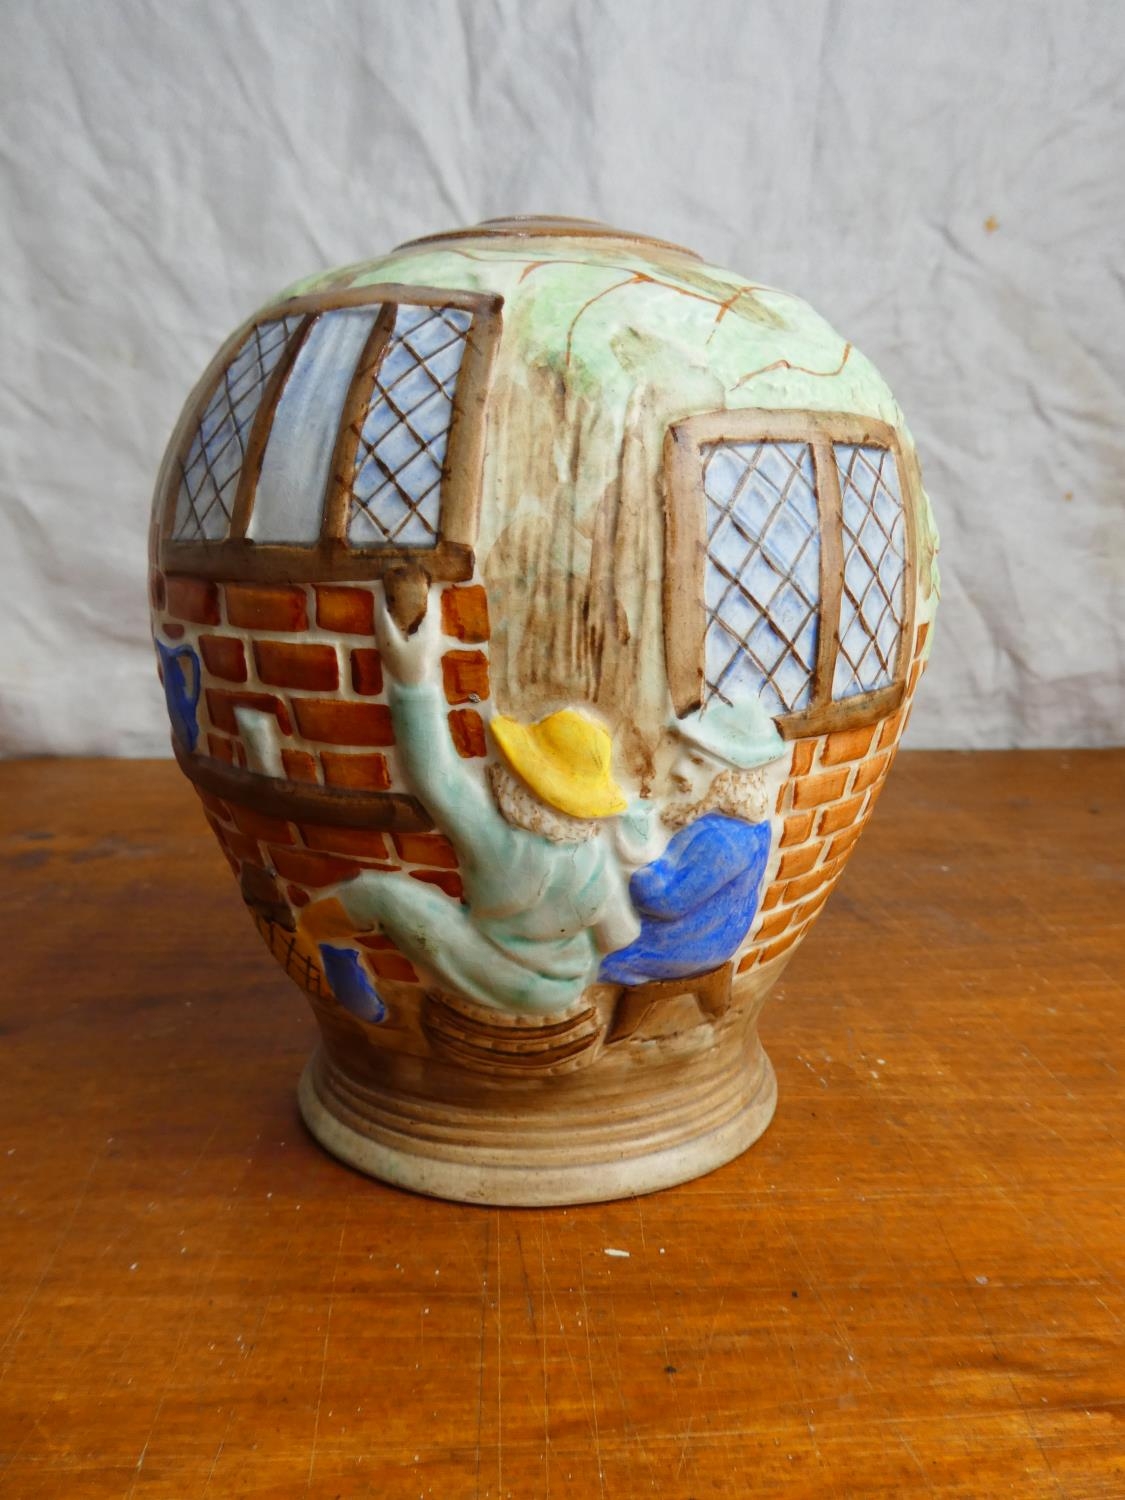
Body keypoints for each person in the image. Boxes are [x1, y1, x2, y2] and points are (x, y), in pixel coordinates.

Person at [318, 590, 639, 1017]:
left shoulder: (499, 843)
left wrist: (412, 681)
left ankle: (312, 942)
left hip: (500, 975)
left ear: (527, 789)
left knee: (379, 895)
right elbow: (619, 935)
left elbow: (437, 778)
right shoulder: (596, 860)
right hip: (567, 984)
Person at [599, 700, 786, 985]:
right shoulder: (730, 826)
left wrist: (636, 863)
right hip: (698, 934)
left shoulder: (724, 840)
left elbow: (667, 901)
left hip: (690, 944)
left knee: (602, 961)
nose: (679, 770)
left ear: (731, 780)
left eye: (698, 762)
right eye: (684, 756)